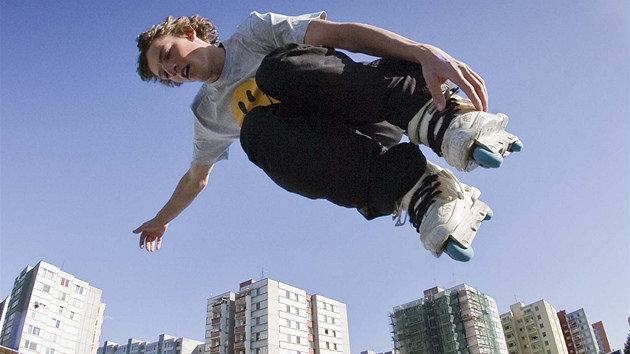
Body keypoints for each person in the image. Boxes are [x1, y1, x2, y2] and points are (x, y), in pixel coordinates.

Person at [133, 11, 521, 261]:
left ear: (188, 33)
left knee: (275, 72)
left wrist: (421, 52)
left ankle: (431, 114)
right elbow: (196, 178)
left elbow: (343, 35)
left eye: (167, 55)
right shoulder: (206, 113)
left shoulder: (253, 32)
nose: (171, 70)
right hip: (352, 152)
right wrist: (160, 219)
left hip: (370, 105)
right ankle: (414, 186)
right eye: (164, 74)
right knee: (255, 130)